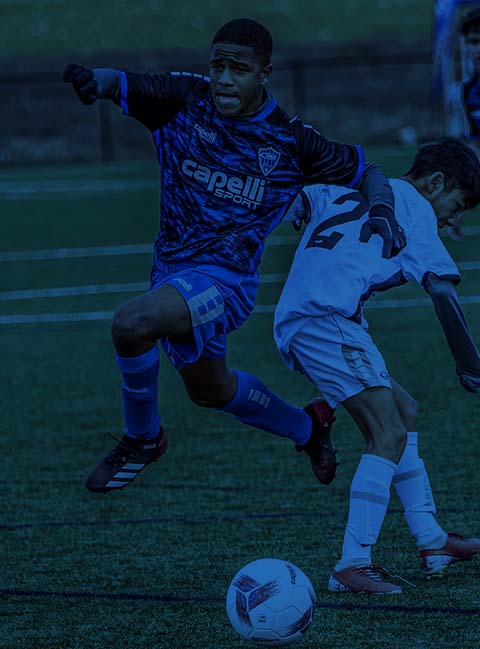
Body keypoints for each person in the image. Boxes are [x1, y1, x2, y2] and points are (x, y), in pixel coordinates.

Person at [64, 18, 405, 494]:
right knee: (211, 390)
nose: (224, 79)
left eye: (239, 70)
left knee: (131, 324)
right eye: (217, 66)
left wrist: (383, 210)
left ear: (265, 73)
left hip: (225, 284)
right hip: (171, 273)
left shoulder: (291, 140)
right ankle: (308, 429)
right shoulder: (184, 98)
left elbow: (367, 171)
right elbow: (121, 82)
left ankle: (143, 438)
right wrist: (92, 81)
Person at [274, 138, 480, 594]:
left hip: (309, 318)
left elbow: (298, 200)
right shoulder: (418, 209)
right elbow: (442, 290)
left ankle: (432, 540)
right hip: (325, 319)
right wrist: (471, 365)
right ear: (435, 182)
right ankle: (352, 564)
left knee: (404, 411)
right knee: (387, 433)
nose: (454, 219)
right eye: (458, 205)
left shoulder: (350, 187)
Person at [451, 5, 480, 241]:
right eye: (473, 42)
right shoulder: (469, 91)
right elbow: (477, 149)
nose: (477, 49)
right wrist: (461, 206)